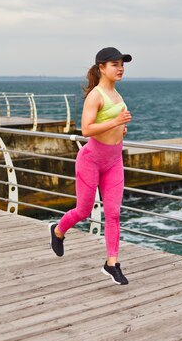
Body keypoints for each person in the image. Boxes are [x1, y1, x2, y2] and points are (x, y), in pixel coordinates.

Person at [49, 47, 133, 285]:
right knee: (84, 211)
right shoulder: (96, 96)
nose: (120, 69)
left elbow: (107, 124)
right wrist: (116, 121)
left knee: (114, 214)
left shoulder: (117, 95)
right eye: (115, 64)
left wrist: (120, 129)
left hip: (114, 160)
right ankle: (58, 230)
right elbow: (86, 129)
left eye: (122, 65)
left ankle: (112, 263)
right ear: (101, 68)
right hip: (92, 160)